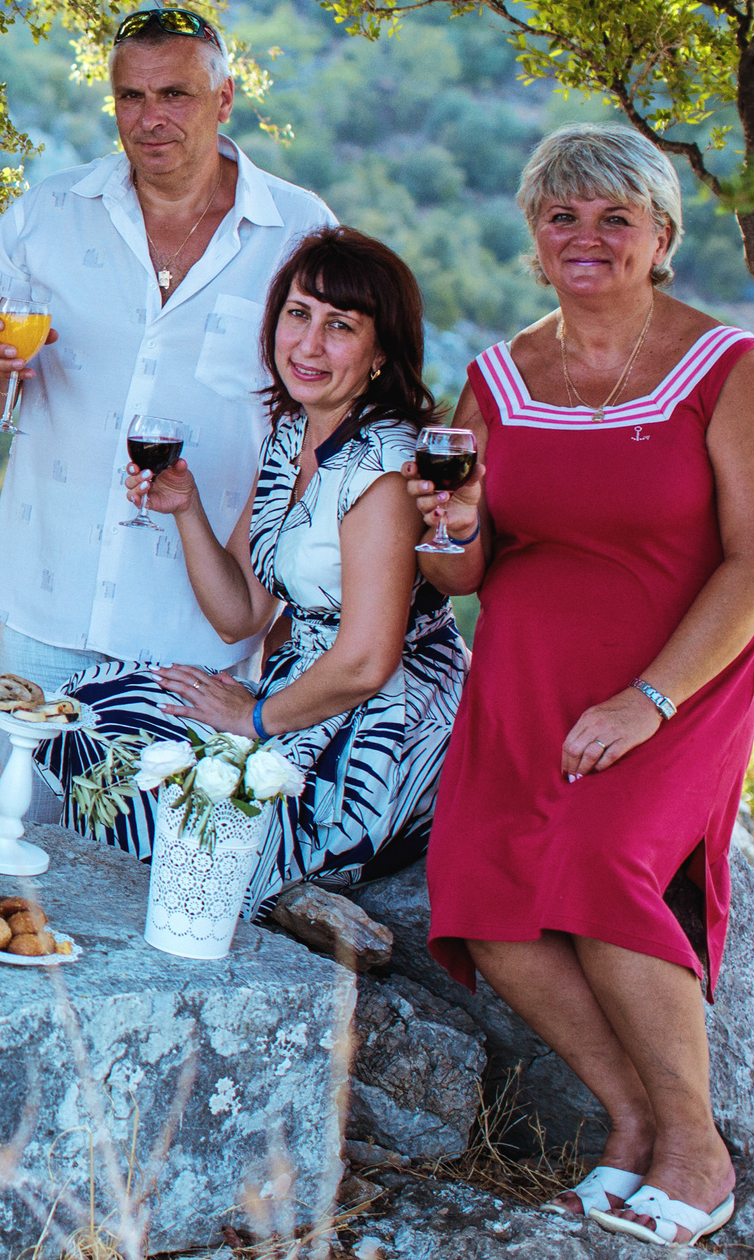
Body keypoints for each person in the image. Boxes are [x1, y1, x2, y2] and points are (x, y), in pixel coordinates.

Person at [410, 123, 754, 1249]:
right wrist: (455, 527)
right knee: (477, 887)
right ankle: (627, 1125)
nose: (586, 235)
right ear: (534, 236)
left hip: (676, 676)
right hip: (526, 676)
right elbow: (459, 572)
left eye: (614, 217)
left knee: (596, 856)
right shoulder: (493, 378)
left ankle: (696, 1144)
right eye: (562, 215)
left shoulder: (721, 367)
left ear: (660, 237)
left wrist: (650, 700)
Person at [0, 7, 338, 752]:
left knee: (166, 856)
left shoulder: (301, 232)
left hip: (194, 632)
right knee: (21, 834)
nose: (150, 118)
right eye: (131, 96)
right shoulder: (46, 216)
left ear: (224, 100)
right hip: (45, 605)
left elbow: (333, 410)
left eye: (176, 96)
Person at [44, 228, 467, 908]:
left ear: (381, 351)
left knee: (194, 812)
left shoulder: (383, 469)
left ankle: (216, 908)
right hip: (302, 690)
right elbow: (241, 610)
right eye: (298, 315)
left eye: (340, 327)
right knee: (87, 707)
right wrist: (185, 509)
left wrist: (257, 719)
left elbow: (366, 661)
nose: (309, 344)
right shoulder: (295, 432)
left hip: (376, 728)